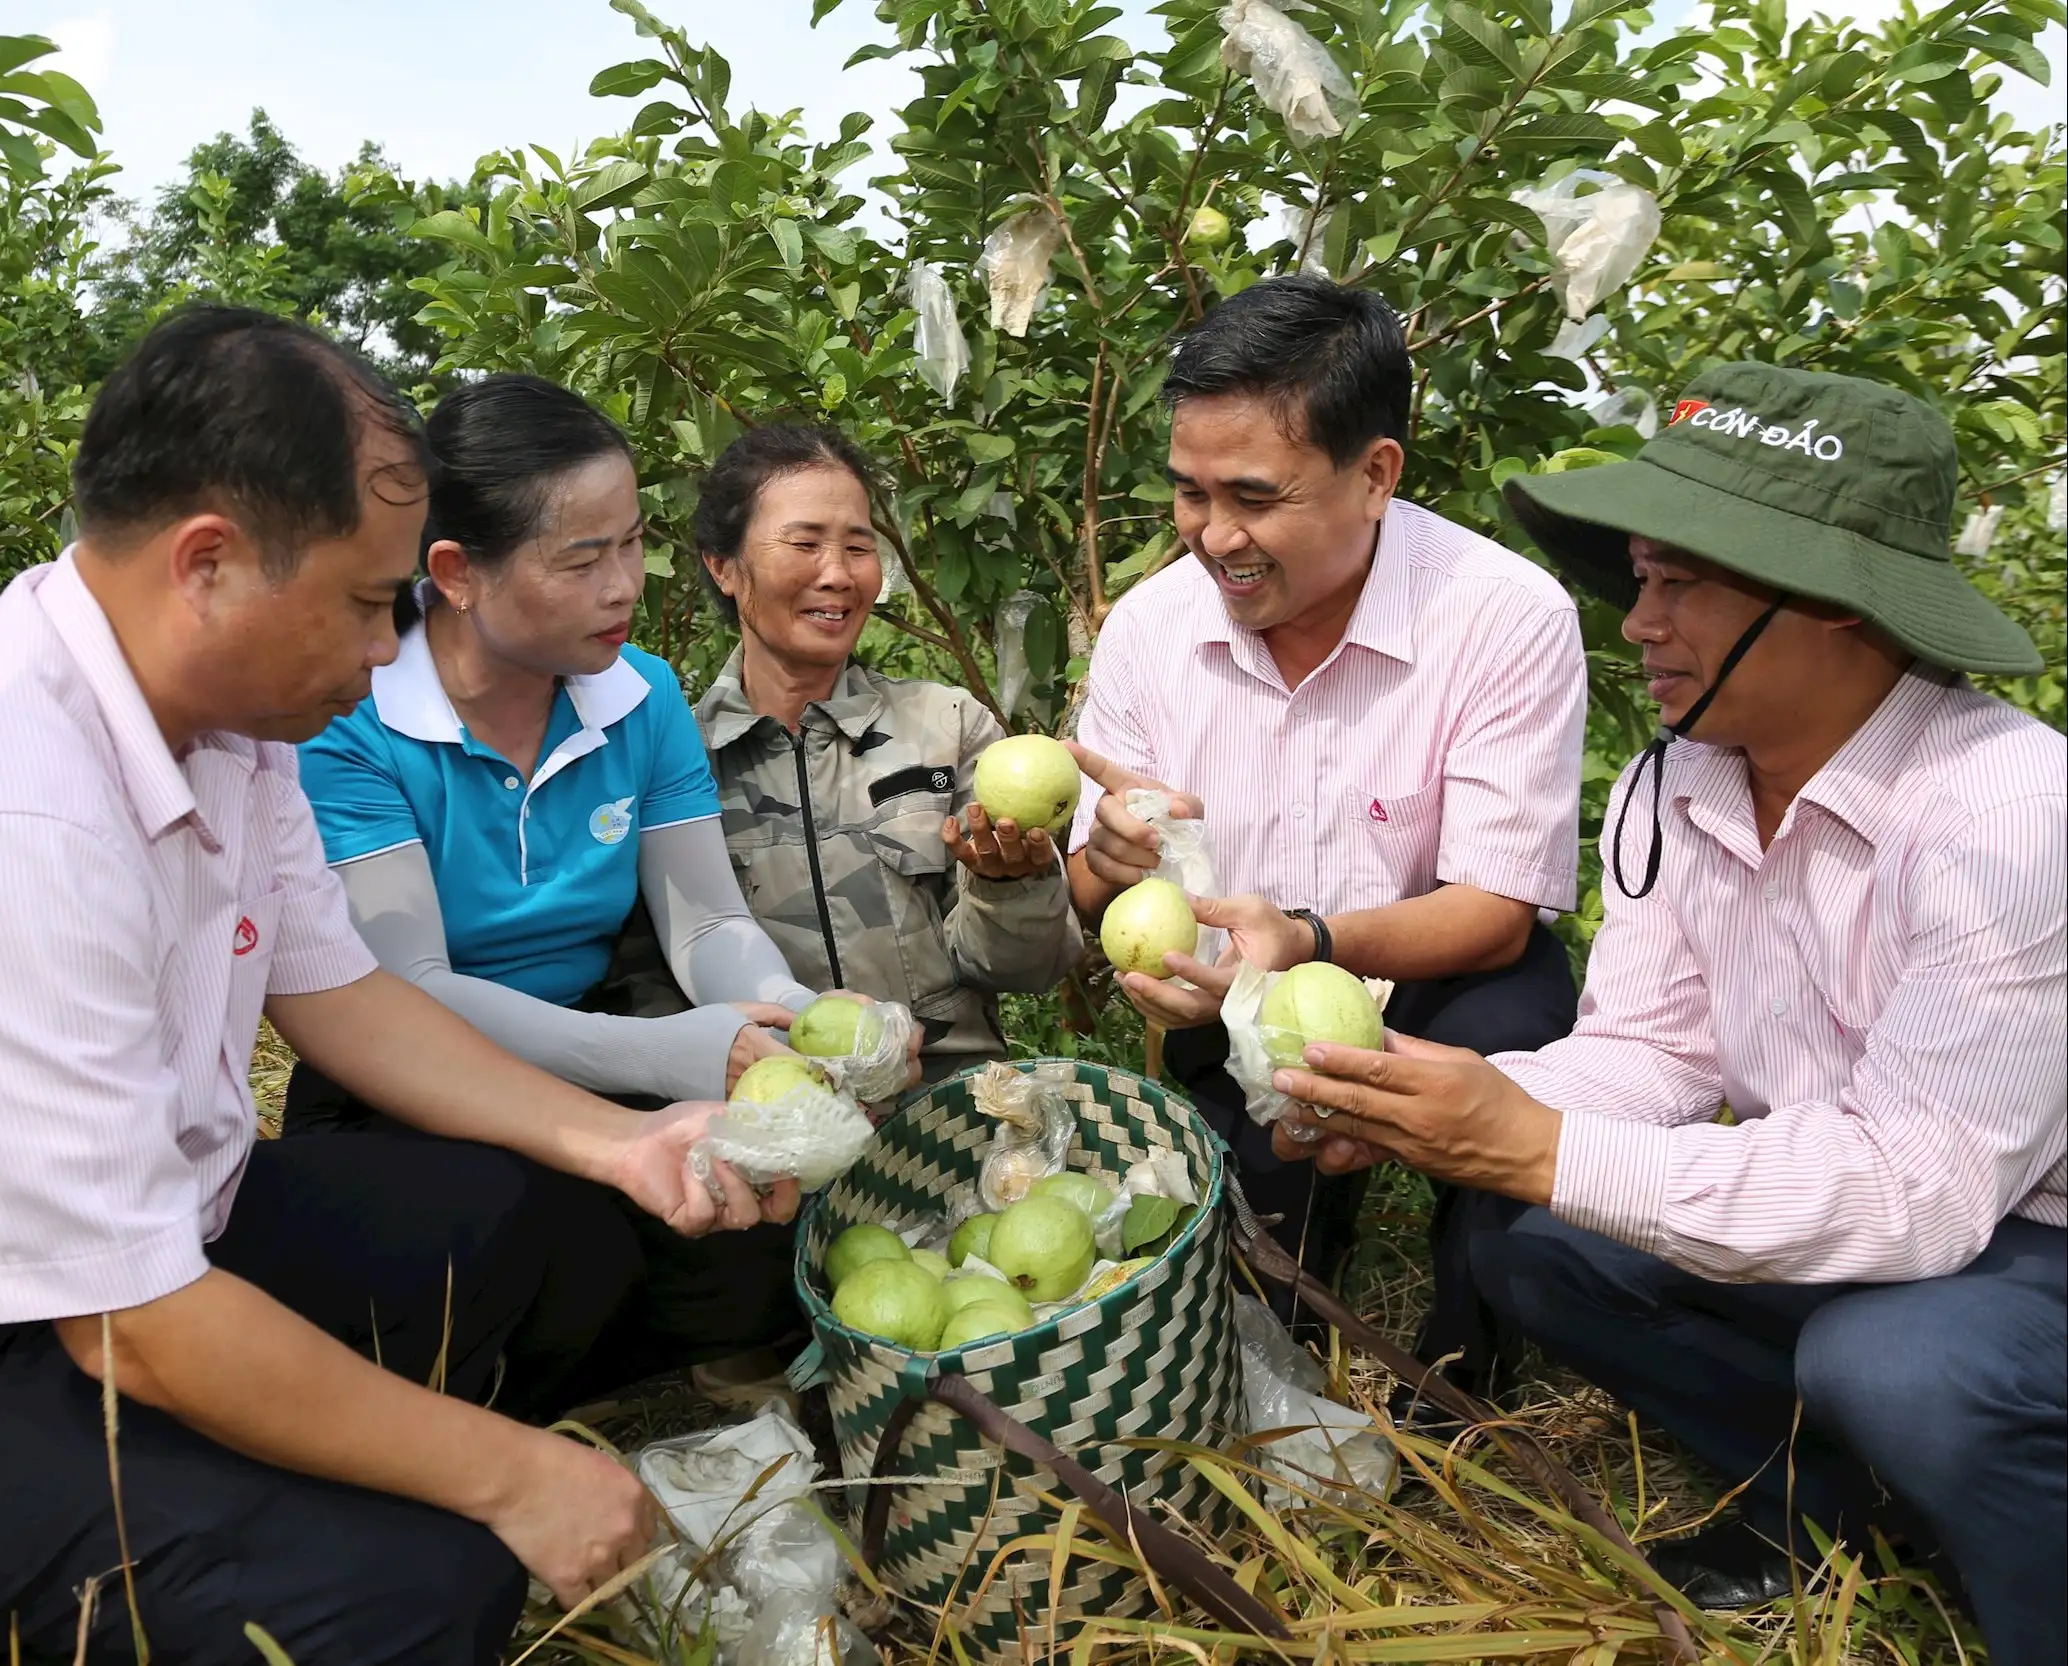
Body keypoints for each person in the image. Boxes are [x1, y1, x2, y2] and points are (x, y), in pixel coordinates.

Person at [0, 307, 794, 1666]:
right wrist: (512, 1475)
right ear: (209, 563)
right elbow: (136, 1329)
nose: (387, 653)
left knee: (534, 1217)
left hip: (131, 1265)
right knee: (425, 1588)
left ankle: (285, 1481)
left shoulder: (230, 734)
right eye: (373, 605)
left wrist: (621, 1139)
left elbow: (346, 993)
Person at [1268, 365, 2063, 1660]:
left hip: (2020, 1237)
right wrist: (1435, 1105)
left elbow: (1921, 1190)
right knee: (1534, 1242)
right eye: (1641, 578)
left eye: (1682, 583)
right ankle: (1831, 1508)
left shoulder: (2008, 819)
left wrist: (1528, 1139)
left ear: (1840, 610)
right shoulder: (1681, 783)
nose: (1640, 622)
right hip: (1891, 1207)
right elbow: (1657, 1049)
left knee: (1900, 1362)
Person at [283, 376, 864, 1411]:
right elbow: (410, 982)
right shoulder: (358, 723)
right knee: (522, 1226)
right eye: (581, 557)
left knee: (763, 1221)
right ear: (456, 573)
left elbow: (708, 921)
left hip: (588, 1036)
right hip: (396, 1079)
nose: (623, 584)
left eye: (632, 542)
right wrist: (666, 1056)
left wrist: (803, 1018)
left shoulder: (638, 699)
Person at [1063, 275, 1588, 1407]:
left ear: (1376, 476)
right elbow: (1087, 880)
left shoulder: (1504, 614)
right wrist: (1105, 871)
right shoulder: (1153, 631)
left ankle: (1465, 1364)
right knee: (1255, 1287)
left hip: (1440, 973)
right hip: (1234, 997)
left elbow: (1497, 910)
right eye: (1189, 494)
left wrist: (1306, 940)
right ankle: (1302, 1260)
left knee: (1516, 1040)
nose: (1214, 537)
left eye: (1254, 497)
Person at [693, 423, 1084, 1082]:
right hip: (774, 1115)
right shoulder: (682, 763)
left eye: (858, 546)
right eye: (805, 542)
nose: (838, 574)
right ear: (724, 566)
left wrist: (1009, 884)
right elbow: (653, 982)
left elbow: (1028, 970)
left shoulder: (947, 726)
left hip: (946, 1113)